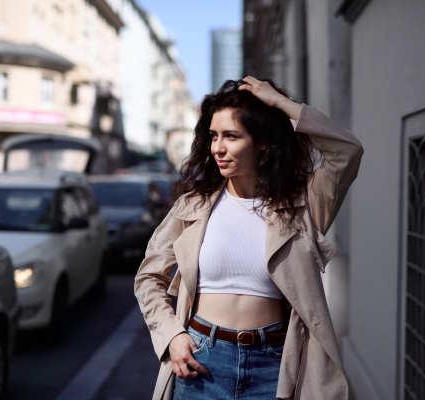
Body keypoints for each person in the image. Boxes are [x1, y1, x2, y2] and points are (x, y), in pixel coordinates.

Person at [134, 76, 364, 400]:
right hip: (201, 363)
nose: (218, 148)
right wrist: (171, 336)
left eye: (231, 136)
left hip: (273, 367)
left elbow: (347, 152)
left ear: (263, 143)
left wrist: (283, 105)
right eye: (214, 136)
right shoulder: (193, 207)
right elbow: (148, 276)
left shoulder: (302, 205)